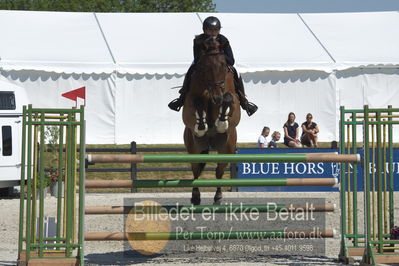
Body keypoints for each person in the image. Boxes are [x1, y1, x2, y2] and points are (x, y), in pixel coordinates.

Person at [168, 16, 258, 116]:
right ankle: (182, 98)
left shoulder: (223, 39)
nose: (212, 33)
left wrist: (219, 57)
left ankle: (244, 101)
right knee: (190, 70)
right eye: (210, 30)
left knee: (237, 72)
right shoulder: (198, 40)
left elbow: (231, 60)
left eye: (215, 30)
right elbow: (197, 58)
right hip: (203, 64)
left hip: (221, 63)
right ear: (204, 30)